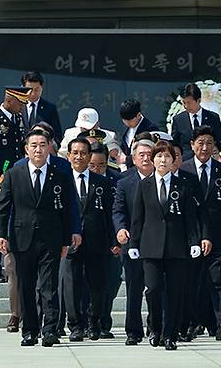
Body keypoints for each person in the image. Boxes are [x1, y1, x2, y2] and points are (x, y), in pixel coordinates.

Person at [0, 130, 77, 347]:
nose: (38, 149)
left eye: (42, 144)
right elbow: (2, 208)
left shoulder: (59, 174)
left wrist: (66, 240)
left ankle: (50, 330)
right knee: (26, 286)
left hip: (51, 238)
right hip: (22, 238)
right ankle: (29, 330)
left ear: (50, 146)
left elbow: (67, 208)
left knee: (49, 286)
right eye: (34, 145)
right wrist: (0, 235)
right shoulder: (14, 174)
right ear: (26, 149)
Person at [128, 140, 208, 350]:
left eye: (168, 157)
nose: (163, 160)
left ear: (174, 161)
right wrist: (134, 242)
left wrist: (194, 241)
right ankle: (155, 328)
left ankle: (170, 334)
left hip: (177, 246)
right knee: (153, 290)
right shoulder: (144, 185)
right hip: (151, 246)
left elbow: (190, 218)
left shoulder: (183, 185)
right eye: (159, 156)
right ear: (153, 160)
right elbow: (138, 217)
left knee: (175, 292)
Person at [179, 125, 221, 341]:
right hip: (191, 237)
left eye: (209, 143)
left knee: (217, 281)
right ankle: (193, 323)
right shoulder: (183, 171)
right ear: (192, 145)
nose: (205, 147)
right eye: (200, 142)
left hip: (218, 235)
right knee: (192, 282)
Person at [63, 138, 115, 342]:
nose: (78, 156)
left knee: (97, 285)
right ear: (68, 156)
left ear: (89, 156)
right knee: (72, 285)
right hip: (70, 242)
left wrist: (114, 241)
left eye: (83, 153)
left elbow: (111, 214)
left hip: (97, 241)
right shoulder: (61, 180)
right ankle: (76, 325)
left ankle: (95, 322)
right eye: (74, 152)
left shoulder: (102, 182)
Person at [0, 86, 30, 284]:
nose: (23, 107)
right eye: (20, 103)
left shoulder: (18, 121)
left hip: (16, 182)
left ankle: (15, 265)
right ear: (9, 100)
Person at [113, 135, 154, 346]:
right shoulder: (124, 181)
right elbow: (118, 210)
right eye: (141, 155)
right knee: (134, 288)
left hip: (158, 243)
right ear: (134, 158)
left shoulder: (163, 178)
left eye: (149, 155)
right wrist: (120, 229)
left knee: (156, 289)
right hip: (133, 244)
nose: (146, 159)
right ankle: (133, 331)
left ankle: (156, 328)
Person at [88, 142, 123, 339]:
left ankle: (104, 322)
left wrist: (117, 242)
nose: (96, 169)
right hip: (88, 243)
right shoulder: (80, 180)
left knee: (110, 284)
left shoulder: (116, 181)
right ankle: (88, 322)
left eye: (100, 165)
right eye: (92, 165)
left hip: (111, 243)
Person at [172, 83, 221, 160]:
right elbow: (175, 143)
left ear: (198, 100)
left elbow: (219, 140)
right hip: (186, 162)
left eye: (189, 103)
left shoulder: (213, 117)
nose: (185, 106)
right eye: (183, 102)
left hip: (208, 159)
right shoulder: (178, 119)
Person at [20, 72, 63, 145]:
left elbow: (57, 135)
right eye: (29, 90)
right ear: (23, 88)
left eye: (37, 89)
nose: (33, 93)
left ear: (42, 88)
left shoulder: (50, 108)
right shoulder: (17, 106)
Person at [119, 99, 160, 168]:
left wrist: (127, 159)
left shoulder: (150, 128)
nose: (127, 123)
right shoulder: (127, 128)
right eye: (124, 120)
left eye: (130, 120)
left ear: (139, 115)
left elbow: (151, 152)